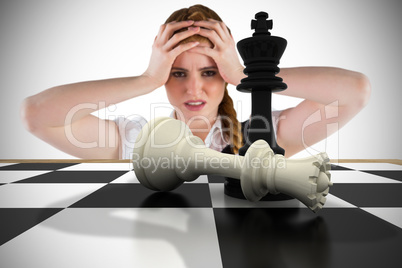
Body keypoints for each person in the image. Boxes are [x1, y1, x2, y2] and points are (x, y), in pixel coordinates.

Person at [20, 4, 371, 160]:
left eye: (209, 72)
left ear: (224, 76)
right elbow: (36, 115)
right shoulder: (135, 141)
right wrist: (145, 79)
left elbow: (355, 92)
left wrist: (246, 74)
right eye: (177, 73)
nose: (193, 89)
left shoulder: (263, 136)